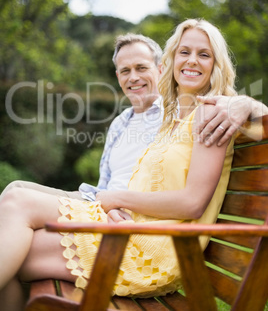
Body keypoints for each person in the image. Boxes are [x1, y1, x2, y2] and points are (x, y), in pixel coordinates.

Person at [0, 18, 259, 311]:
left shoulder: (213, 113)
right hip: (132, 228)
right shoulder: (172, 119)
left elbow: (192, 203)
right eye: (184, 52)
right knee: (13, 228)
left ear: (215, 64)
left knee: (16, 206)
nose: (192, 61)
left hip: (155, 250)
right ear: (172, 60)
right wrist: (116, 206)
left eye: (204, 54)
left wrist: (246, 104)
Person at [2, 33, 267, 201]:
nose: (134, 77)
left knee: (19, 212)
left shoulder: (176, 112)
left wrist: (245, 102)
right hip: (99, 202)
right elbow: (103, 185)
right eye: (125, 70)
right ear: (117, 76)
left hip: (126, 216)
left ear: (161, 68)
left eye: (142, 68)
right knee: (15, 189)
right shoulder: (121, 122)